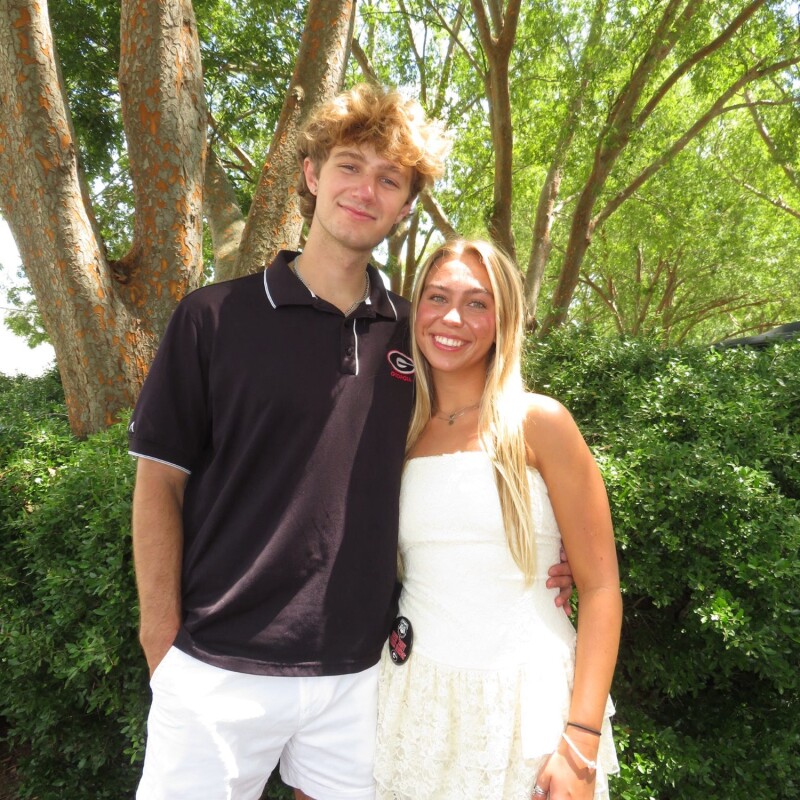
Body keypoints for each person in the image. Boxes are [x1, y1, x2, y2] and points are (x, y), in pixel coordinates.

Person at [128, 84, 574, 800]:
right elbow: (160, 483)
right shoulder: (213, 318)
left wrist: (552, 546)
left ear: (405, 207)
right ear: (311, 174)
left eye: (389, 179)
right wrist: (162, 640)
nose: (366, 190)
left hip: (363, 671)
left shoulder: (419, 336)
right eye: (349, 165)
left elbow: (470, 449)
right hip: (217, 664)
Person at [374, 239, 622, 799]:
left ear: (503, 319)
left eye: (477, 303)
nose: (452, 318)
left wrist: (580, 743)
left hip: (527, 712)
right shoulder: (397, 432)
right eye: (437, 297)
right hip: (416, 704)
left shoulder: (540, 423)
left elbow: (601, 588)